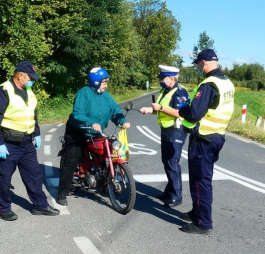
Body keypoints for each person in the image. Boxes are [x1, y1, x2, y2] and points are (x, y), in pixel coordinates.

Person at [0, 61, 59, 220]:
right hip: (8, 143)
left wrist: (37, 133)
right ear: (20, 76)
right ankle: (3, 209)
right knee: (4, 177)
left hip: (26, 142)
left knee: (34, 175)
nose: (32, 80)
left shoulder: (29, 91)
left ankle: (40, 205)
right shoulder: (3, 91)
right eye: (30, 77)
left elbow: (32, 114)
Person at [175, 49, 235, 234]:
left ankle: (203, 223)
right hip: (217, 136)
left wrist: (183, 107)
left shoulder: (208, 84)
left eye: (198, 64)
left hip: (204, 138)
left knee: (201, 181)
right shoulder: (227, 83)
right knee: (198, 179)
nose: (198, 68)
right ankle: (196, 212)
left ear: (204, 63)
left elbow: (194, 114)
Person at [57, 67, 131, 206]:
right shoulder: (83, 93)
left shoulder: (105, 95)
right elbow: (77, 114)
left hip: (96, 132)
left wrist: (122, 121)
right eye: (104, 82)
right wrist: (91, 123)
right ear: (96, 82)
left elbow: (114, 109)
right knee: (71, 159)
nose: (106, 85)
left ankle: (104, 183)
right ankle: (62, 192)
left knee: (103, 154)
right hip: (78, 130)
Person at [139, 65, 189, 208]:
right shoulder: (165, 90)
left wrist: (159, 108)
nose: (160, 80)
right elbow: (162, 109)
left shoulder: (180, 92)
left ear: (172, 78)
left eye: (163, 78)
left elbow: (179, 112)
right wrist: (150, 110)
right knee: (166, 161)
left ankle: (176, 196)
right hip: (166, 129)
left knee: (172, 162)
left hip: (176, 130)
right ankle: (169, 192)